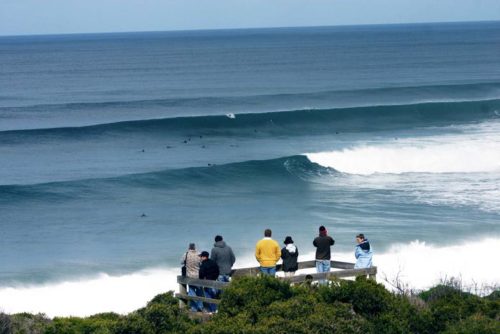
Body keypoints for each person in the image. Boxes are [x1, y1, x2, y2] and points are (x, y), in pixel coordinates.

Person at [181, 243, 203, 312]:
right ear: (195, 247)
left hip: (189, 275)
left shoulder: (186, 254)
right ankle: (200, 306)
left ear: (189, 248)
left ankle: (194, 308)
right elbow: (201, 263)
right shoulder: (199, 254)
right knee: (199, 291)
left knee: (191, 290)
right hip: (198, 275)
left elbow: (181, 262)